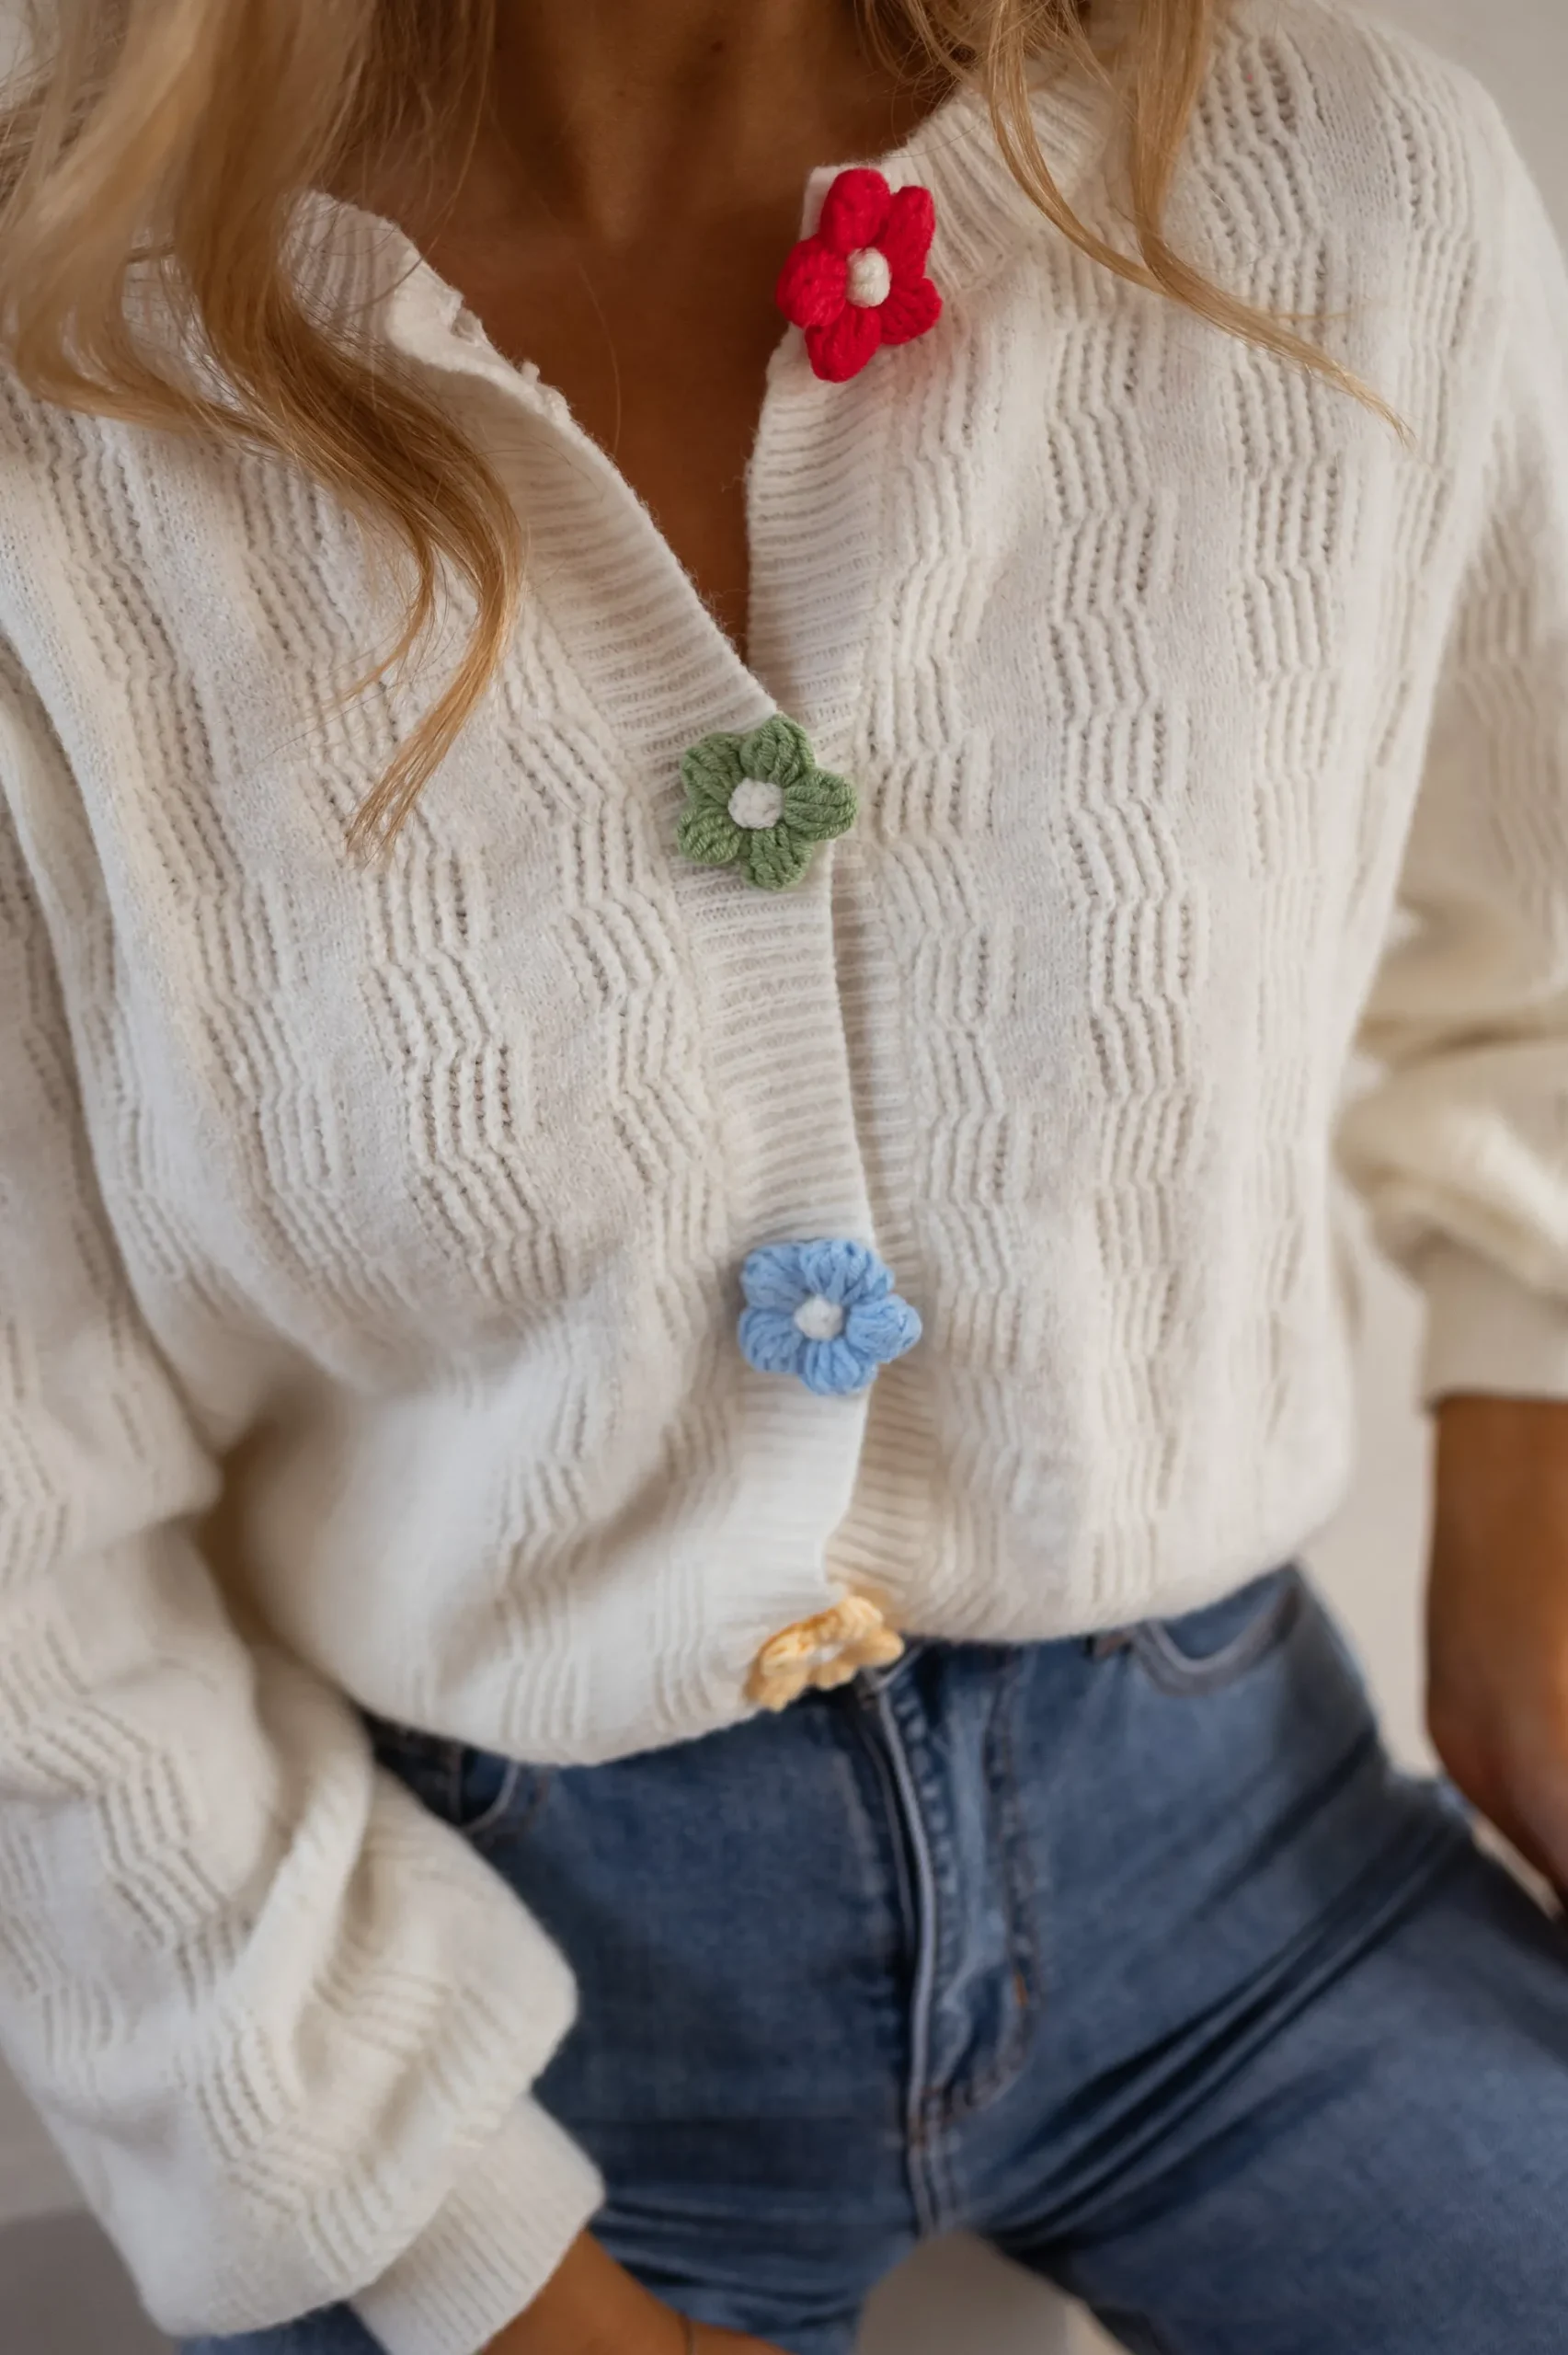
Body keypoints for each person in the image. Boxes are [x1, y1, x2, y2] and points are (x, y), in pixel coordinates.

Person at [0, 0, 1565, 2349]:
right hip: (471, 1976)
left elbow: (1539, 932)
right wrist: (445, 2241)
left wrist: (1533, 1478)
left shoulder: (1340, 197)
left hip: (1253, 1864)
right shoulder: (54, 369)